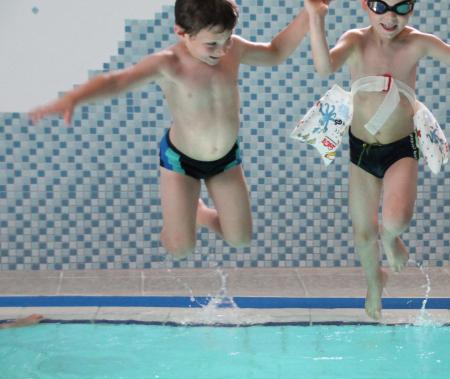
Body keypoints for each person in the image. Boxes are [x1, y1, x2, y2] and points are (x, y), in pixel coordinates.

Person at [302, 0, 450, 320]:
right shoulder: (355, 40)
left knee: (396, 220)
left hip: (400, 149)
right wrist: (316, 18)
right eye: (381, 6)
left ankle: (391, 238)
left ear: (412, 8)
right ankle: (374, 282)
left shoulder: (417, 43)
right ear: (366, 5)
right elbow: (324, 66)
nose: (390, 16)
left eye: (401, 8)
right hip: (361, 151)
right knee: (363, 234)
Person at [29, 0, 311, 258]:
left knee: (239, 239)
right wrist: (74, 98)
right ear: (181, 32)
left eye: (227, 39)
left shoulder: (233, 49)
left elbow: (275, 52)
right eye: (212, 44)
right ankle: (182, 224)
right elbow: (117, 81)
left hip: (225, 159)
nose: (222, 49)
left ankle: (200, 214)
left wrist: (309, 12)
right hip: (181, 161)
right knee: (180, 249)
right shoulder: (168, 63)